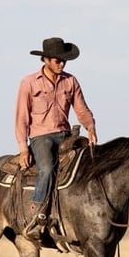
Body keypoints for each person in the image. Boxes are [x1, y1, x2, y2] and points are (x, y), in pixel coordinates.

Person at [15, 37, 97, 240]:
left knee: (89, 164)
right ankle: (38, 213)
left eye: (64, 61)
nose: (61, 64)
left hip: (65, 134)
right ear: (45, 60)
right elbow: (21, 117)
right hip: (41, 137)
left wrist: (91, 128)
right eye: (57, 60)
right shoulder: (29, 83)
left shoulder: (71, 81)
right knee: (47, 168)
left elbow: (81, 109)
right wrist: (23, 148)